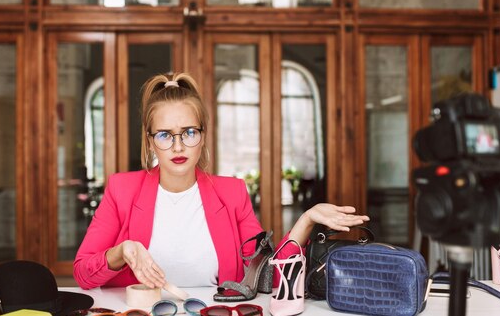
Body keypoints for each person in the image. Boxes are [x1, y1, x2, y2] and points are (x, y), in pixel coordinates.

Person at [73, 72, 369, 290]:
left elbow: (268, 277)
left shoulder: (232, 193)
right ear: (150, 142)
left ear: (202, 137)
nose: (178, 146)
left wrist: (305, 221)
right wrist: (120, 251)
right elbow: (83, 275)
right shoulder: (122, 190)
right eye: (164, 135)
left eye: (189, 132)